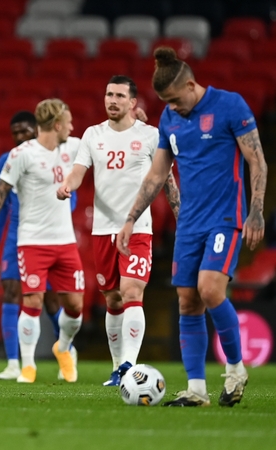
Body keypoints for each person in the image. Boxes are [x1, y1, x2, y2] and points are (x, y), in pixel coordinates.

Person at [117, 47, 267, 407]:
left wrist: (256, 211)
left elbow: (257, 161)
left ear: (191, 84)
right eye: (165, 102)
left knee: (210, 289)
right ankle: (197, 389)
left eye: (175, 99)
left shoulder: (229, 106)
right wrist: (129, 219)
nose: (173, 107)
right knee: (187, 303)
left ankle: (235, 369)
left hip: (225, 218)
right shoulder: (170, 119)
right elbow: (157, 175)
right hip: (189, 223)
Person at [56, 75, 181, 386]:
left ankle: (129, 365)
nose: (112, 100)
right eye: (108, 94)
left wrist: (181, 214)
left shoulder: (151, 135)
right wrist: (67, 186)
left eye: (119, 96)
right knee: (112, 299)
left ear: (132, 102)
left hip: (139, 228)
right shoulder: (92, 134)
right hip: (103, 229)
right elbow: (78, 171)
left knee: (132, 292)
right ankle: (117, 367)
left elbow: (166, 179)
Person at [0, 99, 84, 384]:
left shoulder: (74, 147)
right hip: (27, 239)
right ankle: (23, 365)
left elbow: (103, 142)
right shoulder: (17, 156)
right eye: (15, 133)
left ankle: (64, 348)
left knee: (70, 305)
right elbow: (1, 197)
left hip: (63, 240)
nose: (20, 136)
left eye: (24, 130)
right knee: (27, 297)